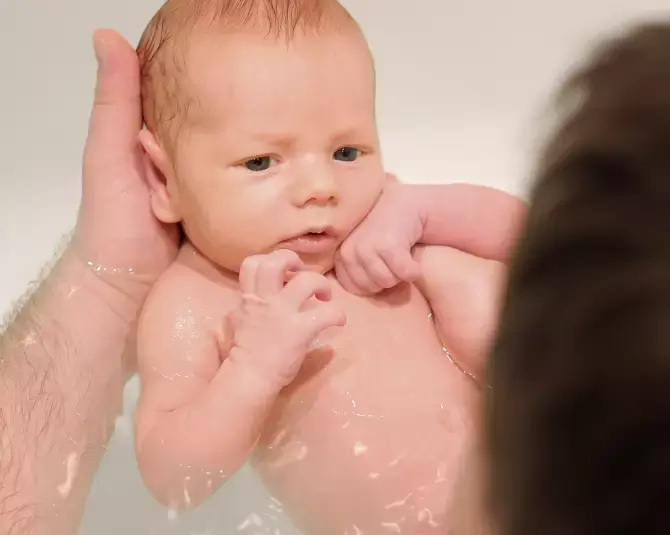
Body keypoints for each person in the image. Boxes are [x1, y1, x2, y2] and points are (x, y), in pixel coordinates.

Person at [0, 13, 524, 535]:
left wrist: (427, 209)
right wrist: (254, 366)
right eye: (260, 162)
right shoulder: (195, 305)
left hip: (537, 489)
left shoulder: (381, 218)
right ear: (163, 178)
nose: (321, 185)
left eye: (346, 152)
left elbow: (537, 237)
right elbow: (173, 478)